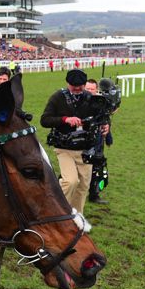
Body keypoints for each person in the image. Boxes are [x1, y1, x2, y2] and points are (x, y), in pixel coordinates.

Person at [40, 69, 108, 229]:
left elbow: (102, 117)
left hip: (86, 149)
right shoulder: (58, 97)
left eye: (80, 86)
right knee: (70, 181)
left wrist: (106, 126)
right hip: (64, 148)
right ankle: (56, 215)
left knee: (84, 185)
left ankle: (76, 219)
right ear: (67, 83)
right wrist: (65, 119)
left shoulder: (91, 99)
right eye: (74, 86)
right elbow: (45, 120)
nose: (77, 89)